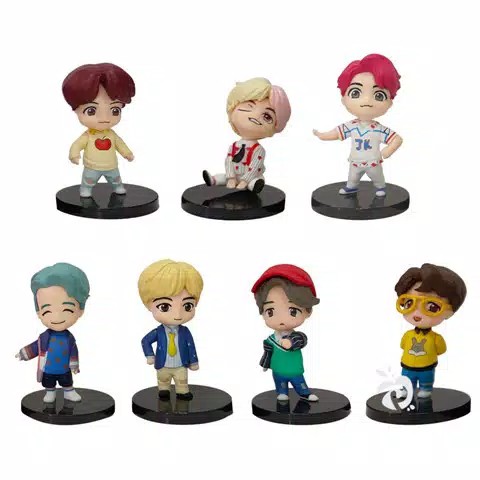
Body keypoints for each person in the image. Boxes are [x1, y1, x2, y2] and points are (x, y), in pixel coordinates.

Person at [313, 54, 403, 197]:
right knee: (352, 176)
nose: (366, 100)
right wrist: (322, 135)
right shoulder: (352, 126)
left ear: (389, 102)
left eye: (378, 95)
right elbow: (337, 133)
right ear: (344, 98)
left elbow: (397, 139)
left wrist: (388, 150)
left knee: (377, 176)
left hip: (373, 161)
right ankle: (351, 187)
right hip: (355, 161)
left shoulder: (379, 129)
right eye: (356, 93)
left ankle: (380, 187)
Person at [16, 263, 90, 403]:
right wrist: (23, 353)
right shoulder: (44, 338)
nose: (57, 317)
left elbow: (73, 351)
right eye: (47, 311)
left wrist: (74, 365)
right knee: (48, 383)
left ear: (80, 310)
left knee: (67, 381)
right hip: (48, 369)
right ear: (39, 312)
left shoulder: (69, 339)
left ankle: (69, 391)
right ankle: (50, 392)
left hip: (64, 369)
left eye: (67, 309)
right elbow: (35, 347)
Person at [203, 77, 291, 193]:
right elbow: (229, 161)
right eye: (249, 106)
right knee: (223, 177)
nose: (255, 115)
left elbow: (255, 166)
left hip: (251, 177)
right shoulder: (234, 146)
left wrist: (245, 181)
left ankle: (254, 185)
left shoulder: (258, 150)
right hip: (234, 175)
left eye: (267, 116)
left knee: (254, 182)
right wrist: (231, 177)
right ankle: (213, 180)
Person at [62, 63, 136, 197]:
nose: (104, 118)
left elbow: (120, 144)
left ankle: (118, 187)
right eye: (91, 110)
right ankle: (86, 190)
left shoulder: (112, 135)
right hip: (92, 166)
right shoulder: (87, 136)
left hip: (111, 165)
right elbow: (77, 145)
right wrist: (74, 154)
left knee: (116, 179)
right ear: (76, 110)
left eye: (114, 110)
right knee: (88, 180)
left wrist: (127, 153)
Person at [395, 263, 467, 398]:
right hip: (407, 365)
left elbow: (441, 350)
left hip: (427, 367)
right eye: (409, 303)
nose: (417, 313)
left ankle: (426, 389)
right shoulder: (408, 335)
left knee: (426, 379)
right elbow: (403, 345)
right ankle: (406, 389)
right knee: (406, 378)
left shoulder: (435, 338)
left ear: (449, 313)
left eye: (431, 307)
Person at [252, 264, 320, 402]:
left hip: (294, 369)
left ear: (308, 311)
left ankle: (304, 393)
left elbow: (300, 340)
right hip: (277, 369)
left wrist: (290, 342)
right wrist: (265, 364)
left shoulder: (298, 336)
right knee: (280, 383)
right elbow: (268, 353)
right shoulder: (270, 340)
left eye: (292, 311)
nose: (281, 319)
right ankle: (282, 392)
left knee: (299, 382)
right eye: (270, 311)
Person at [139, 260, 203, 400]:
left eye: (187, 306)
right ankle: (164, 390)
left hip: (181, 364)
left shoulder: (185, 332)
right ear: (149, 305)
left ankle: (182, 391)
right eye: (165, 307)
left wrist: (193, 361)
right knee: (163, 380)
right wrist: (150, 355)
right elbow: (145, 341)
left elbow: (191, 346)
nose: (178, 314)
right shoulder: (158, 332)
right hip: (163, 364)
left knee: (182, 380)